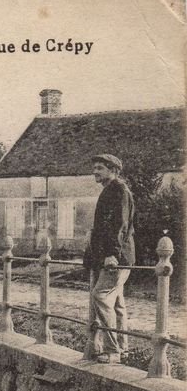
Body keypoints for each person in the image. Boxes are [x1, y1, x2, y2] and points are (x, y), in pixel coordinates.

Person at [83, 154, 135, 364]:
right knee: (116, 303)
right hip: (114, 256)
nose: (95, 171)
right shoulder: (111, 190)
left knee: (101, 295)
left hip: (116, 257)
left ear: (113, 170)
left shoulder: (118, 190)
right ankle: (123, 349)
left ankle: (113, 350)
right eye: (94, 168)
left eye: (100, 168)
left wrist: (111, 253)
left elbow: (119, 225)